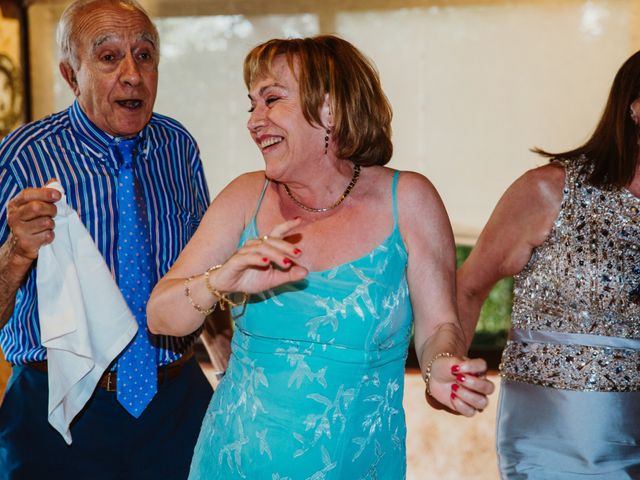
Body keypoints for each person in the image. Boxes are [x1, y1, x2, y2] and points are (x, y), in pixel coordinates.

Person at [147, 35, 495, 479]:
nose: (254, 121)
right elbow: (161, 316)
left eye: (271, 99)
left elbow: (440, 328)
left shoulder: (408, 200)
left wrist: (442, 366)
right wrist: (220, 281)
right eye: (251, 105)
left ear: (329, 109)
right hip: (232, 462)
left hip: (354, 464)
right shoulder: (244, 197)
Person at [0, 1, 226, 478]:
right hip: (56, 411)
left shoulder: (177, 147)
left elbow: (205, 275)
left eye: (145, 55)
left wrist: (229, 374)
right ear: (70, 73)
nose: (132, 75)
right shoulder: (21, 157)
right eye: (108, 57)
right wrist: (18, 252)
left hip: (176, 404)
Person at [457, 51, 640, 479]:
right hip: (564, 436)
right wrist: (443, 368)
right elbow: (468, 286)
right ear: (635, 107)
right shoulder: (551, 190)